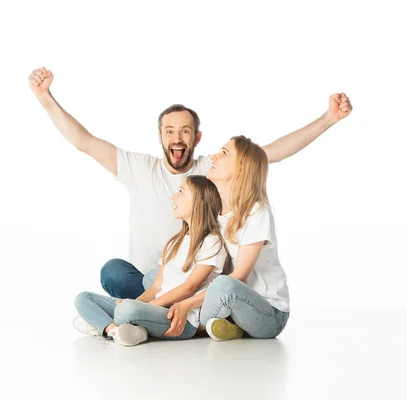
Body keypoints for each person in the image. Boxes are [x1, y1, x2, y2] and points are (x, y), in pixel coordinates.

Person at [28, 67, 353, 299]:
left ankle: (163, 313)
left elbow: (272, 153)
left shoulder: (211, 171)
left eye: (185, 130)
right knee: (114, 272)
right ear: (160, 137)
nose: (177, 137)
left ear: (196, 137)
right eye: (169, 130)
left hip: (199, 280)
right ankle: (157, 309)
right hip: (151, 281)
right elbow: (84, 141)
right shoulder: (139, 168)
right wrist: (46, 98)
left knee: (198, 285)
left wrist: (328, 119)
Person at [73, 175, 228, 346]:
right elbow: (156, 286)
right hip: (155, 309)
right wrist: (137, 302)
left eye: (181, 192)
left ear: (199, 201)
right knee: (83, 298)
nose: (173, 196)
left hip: (180, 318)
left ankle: (101, 325)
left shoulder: (211, 242)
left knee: (127, 310)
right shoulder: (174, 242)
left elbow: (189, 287)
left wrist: (145, 307)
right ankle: (114, 331)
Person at [164, 136, 290, 341]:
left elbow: (238, 276)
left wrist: (187, 303)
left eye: (224, 153)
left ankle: (182, 324)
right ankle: (223, 325)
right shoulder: (215, 211)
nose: (214, 156)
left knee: (224, 285)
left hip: (268, 312)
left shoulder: (256, 211)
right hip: (225, 299)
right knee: (158, 276)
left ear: (242, 167)